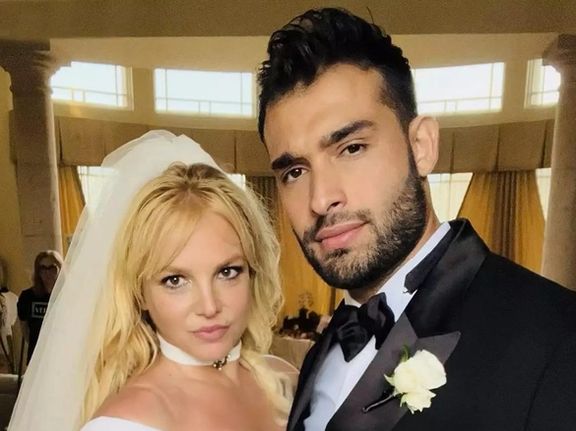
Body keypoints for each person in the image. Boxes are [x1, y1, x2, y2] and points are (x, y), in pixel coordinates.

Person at [258, 8, 576, 431]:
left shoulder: (558, 338)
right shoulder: (322, 352)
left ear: (422, 146)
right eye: (294, 172)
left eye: (351, 148)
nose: (320, 198)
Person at [9, 131, 290, 431]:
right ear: (139, 293)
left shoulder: (287, 381)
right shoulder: (123, 423)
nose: (209, 307)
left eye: (227, 272)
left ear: (253, 272)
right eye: (175, 280)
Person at [16, 250, 62, 363]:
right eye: (43, 268)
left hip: (62, 356)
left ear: (59, 269)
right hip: (37, 357)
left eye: (52, 268)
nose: (47, 273)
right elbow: (25, 330)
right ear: (38, 272)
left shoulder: (67, 295)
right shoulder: (27, 297)